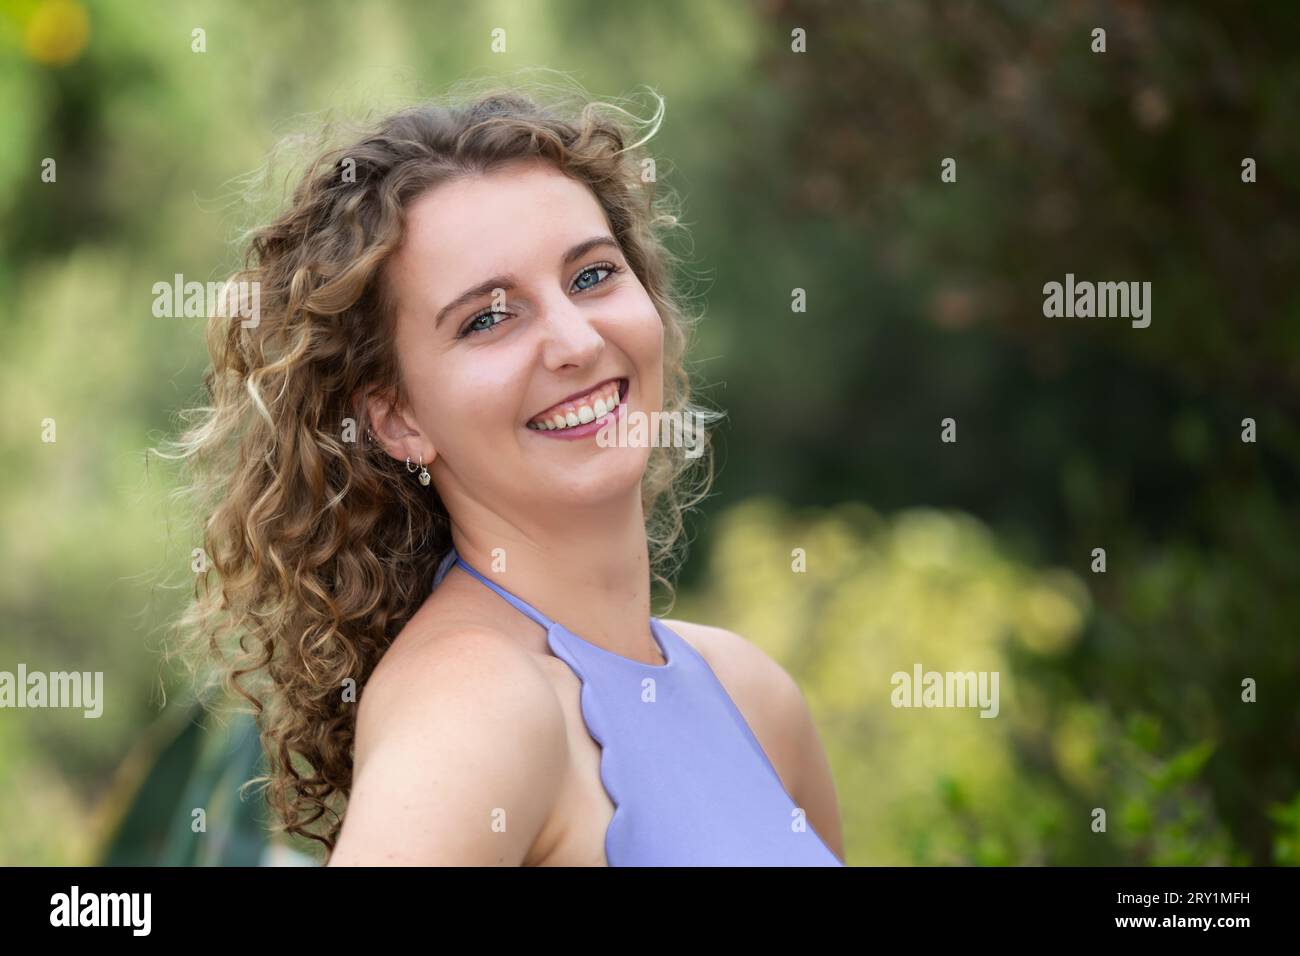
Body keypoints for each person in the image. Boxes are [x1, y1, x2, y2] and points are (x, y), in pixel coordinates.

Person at [169, 82, 844, 866]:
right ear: (398, 419)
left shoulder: (753, 698)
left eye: (592, 276)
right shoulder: (478, 707)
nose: (575, 342)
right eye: (488, 318)